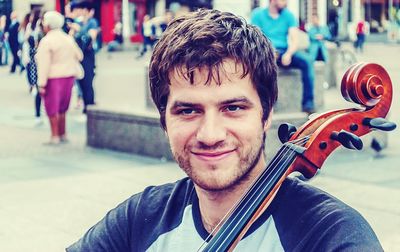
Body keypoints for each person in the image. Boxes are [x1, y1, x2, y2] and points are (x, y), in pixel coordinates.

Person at [67, 9, 382, 251]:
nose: (210, 134)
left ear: (267, 112)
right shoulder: (139, 220)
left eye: (233, 108)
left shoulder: (330, 235)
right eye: (188, 110)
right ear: (164, 120)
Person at [251, 0, 316, 114]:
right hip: (266, 51)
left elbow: (295, 40)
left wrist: (289, 54)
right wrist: (269, 52)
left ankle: (308, 103)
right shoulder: (258, 15)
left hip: (284, 52)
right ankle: (268, 103)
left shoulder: (289, 16)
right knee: (263, 63)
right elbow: (255, 39)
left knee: (307, 61)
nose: (286, 2)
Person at [36, 11, 83, 144]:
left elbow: (44, 64)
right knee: (63, 106)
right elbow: (80, 56)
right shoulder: (68, 39)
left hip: (53, 77)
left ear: (49, 25)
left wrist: (41, 84)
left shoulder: (46, 41)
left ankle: (54, 136)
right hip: (69, 76)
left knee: (52, 107)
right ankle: (63, 134)